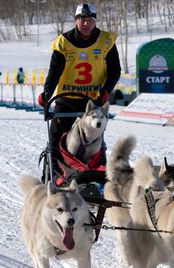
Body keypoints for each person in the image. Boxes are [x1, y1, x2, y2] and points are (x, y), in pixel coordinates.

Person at [38, 3, 121, 178]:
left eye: (90, 20)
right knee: (56, 137)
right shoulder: (64, 42)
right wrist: (46, 95)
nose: (86, 24)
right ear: (76, 21)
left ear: (95, 21)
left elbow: (115, 70)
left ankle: (97, 177)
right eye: (82, 20)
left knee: (94, 140)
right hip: (66, 98)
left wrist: (106, 91)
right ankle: (55, 174)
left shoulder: (106, 41)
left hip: (93, 101)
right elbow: (54, 73)